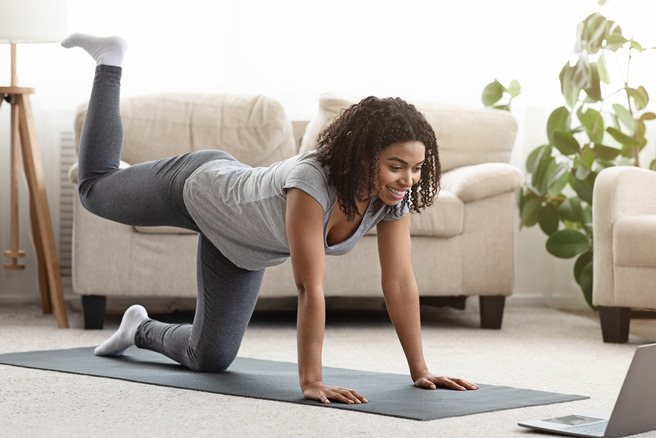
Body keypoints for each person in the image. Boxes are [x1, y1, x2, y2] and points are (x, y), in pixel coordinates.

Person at [62, 34, 478, 405]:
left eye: (418, 168)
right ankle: (109, 62)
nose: (408, 180)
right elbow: (309, 287)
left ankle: (138, 328)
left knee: (209, 359)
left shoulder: (390, 199)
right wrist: (312, 380)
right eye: (396, 166)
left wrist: (420, 369)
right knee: (94, 190)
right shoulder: (312, 182)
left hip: (238, 246)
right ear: (366, 157)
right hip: (198, 187)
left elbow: (400, 281)